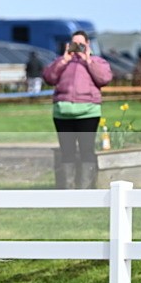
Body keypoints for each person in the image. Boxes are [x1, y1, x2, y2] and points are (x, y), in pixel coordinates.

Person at [43, 31, 113, 189]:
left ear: (88, 44)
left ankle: (86, 188)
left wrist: (88, 60)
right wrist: (64, 60)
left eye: (81, 44)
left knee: (86, 150)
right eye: (75, 44)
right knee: (67, 151)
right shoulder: (62, 61)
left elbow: (104, 79)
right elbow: (48, 77)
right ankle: (68, 189)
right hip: (63, 113)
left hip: (88, 112)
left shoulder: (97, 61)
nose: (77, 47)